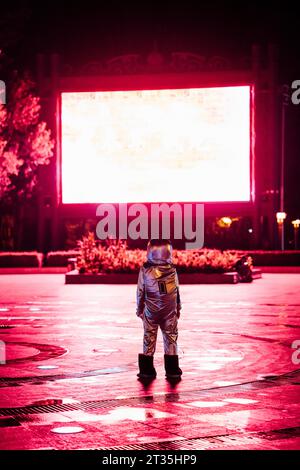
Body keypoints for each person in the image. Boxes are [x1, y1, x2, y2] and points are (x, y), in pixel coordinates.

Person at [136, 239, 182, 380]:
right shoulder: (172, 269)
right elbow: (176, 289)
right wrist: (178, 307)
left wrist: (139, 308)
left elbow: (140, 291)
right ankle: (172, 369)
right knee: (171, 337)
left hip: (151, 310)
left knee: (149, 337)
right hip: (169, 311)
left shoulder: (145, 270)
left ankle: (147, 370)